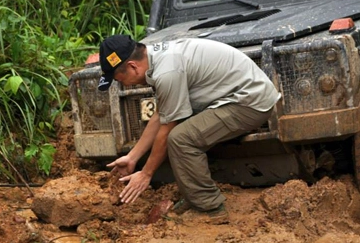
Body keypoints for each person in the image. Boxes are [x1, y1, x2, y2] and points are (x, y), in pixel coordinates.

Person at [97, 35, 281, 224]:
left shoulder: (167, 72)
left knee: (181, 139)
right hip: (235, 97)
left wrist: (146, 174)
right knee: (180, 135)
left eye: (121, 79)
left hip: (250, 102)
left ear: (133, 66)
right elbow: (161, 115)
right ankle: (195, 197)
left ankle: (209, 208)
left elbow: (167, 129)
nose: (124, 85)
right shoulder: (157, 58)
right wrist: (132, 157)